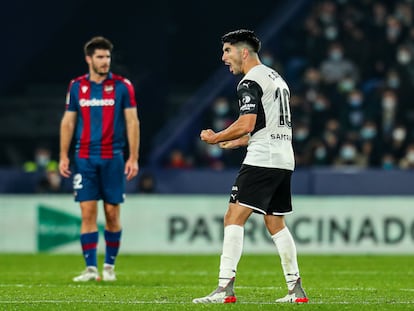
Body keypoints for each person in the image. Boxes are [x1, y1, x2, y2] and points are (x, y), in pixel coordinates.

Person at [192, 29, 308, 304]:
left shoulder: (249, 81)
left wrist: (215, 137)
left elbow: (247, 122)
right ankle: (296, 289)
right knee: (274, 221)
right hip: (283, 157)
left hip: (263, 158)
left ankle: (224, 289)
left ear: (243, 52)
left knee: (233, 216)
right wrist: (240, 141)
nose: (224, 58)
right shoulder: (276, 78)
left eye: (227, 51)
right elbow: (264, 125)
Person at [59, 36, 140, 282]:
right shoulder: (76, 86)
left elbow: (132, 122)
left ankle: (109, 267)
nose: (106, 62)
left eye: (107, 57)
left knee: (112, 213)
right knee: (87, 212)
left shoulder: (123, 86)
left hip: (113, 158)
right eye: (100, 57)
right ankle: (91, 269)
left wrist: (133, 157)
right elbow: (69, 121)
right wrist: (63, 155)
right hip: (84, 158)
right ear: (89, 59)